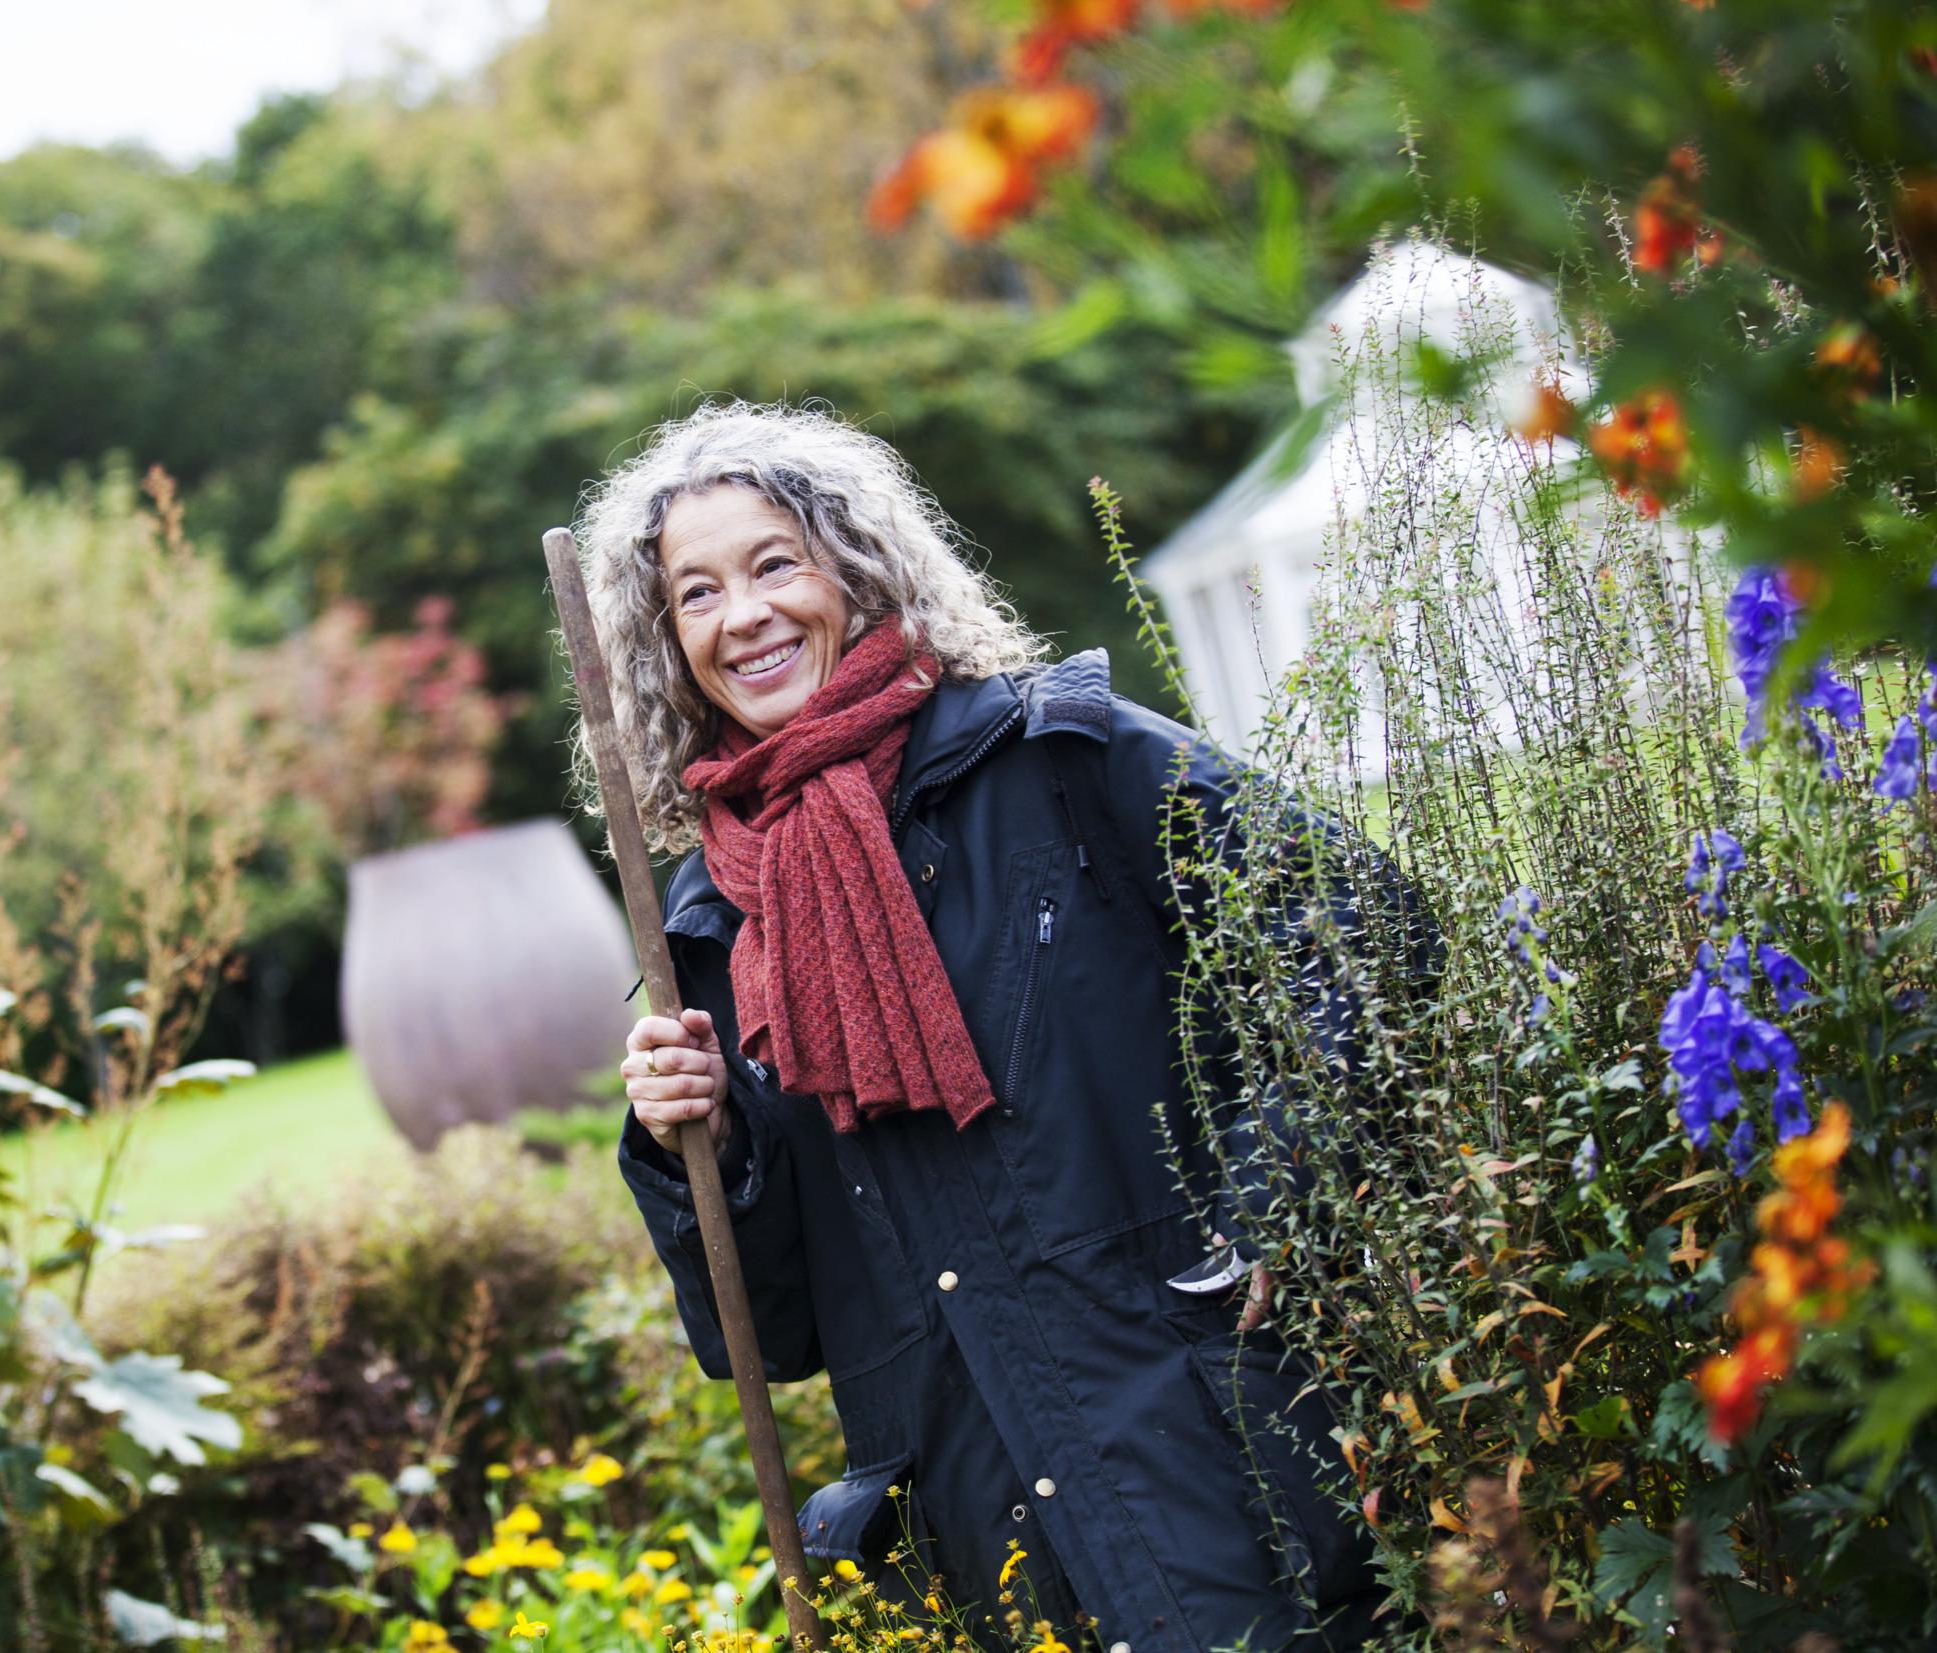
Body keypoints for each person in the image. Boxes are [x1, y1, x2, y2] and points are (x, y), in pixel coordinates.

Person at [573, 402, 1403, 1653]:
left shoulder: (1056, 762)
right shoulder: (706, 929)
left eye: (771, 564)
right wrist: (698, 1150)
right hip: (989, 1539)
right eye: (693, 594)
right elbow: (779, 1331)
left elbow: (1354, 925)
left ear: (854, 570)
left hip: (1205, 1461)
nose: (738, 615)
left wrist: (1270, 1194)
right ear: (663, 642)